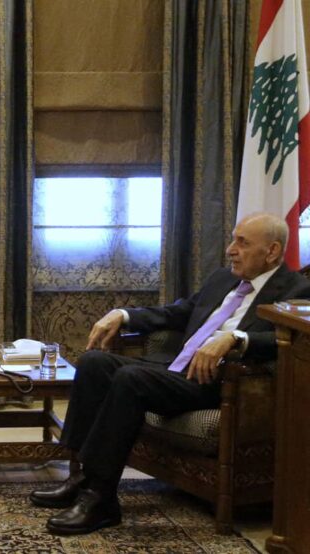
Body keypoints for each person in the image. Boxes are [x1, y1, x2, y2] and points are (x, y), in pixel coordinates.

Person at [30, 213, 310, 535]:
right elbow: (178, 313)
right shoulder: (224, 279)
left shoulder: (297, 290)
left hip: (217, 381)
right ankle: (80, 478)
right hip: (174, 368)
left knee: (130, 379)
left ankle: (101, 499)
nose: (231, 249)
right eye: (233, 239)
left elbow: (294, 339)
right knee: (94, 362)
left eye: (242, 243)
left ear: (272, 251)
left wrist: (236, 338)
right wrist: (122, 314)